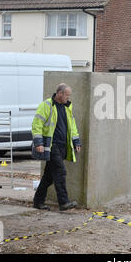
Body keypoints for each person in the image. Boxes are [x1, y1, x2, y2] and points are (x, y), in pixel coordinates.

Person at [32, 83, 82, 211]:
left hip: (62, 146)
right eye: (66, 95)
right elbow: (37, 124)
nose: (68, 97)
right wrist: (38, 143)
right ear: (59, 93)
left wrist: (76, 142)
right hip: (52, 145)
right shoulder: (47, 105)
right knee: (60, 172)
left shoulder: (67, 107)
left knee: (48, 177)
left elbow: (72, 126)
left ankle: (38, 201)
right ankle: (63, 202)